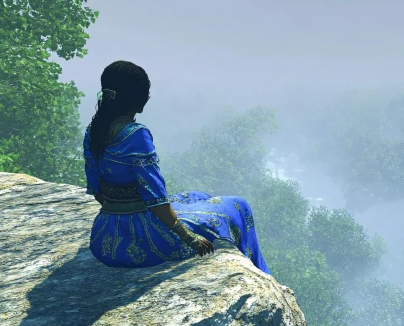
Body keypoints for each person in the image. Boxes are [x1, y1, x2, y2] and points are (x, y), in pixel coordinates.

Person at [82, 61, 271, 275]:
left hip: (103, 239)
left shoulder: (93, 131)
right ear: (139, 99)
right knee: (238, 205)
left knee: (195, 196)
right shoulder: (136, 134)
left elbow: (97, 191)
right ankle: (261, 273)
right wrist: (191, 238)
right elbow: (157, 201)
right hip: (143, 241)